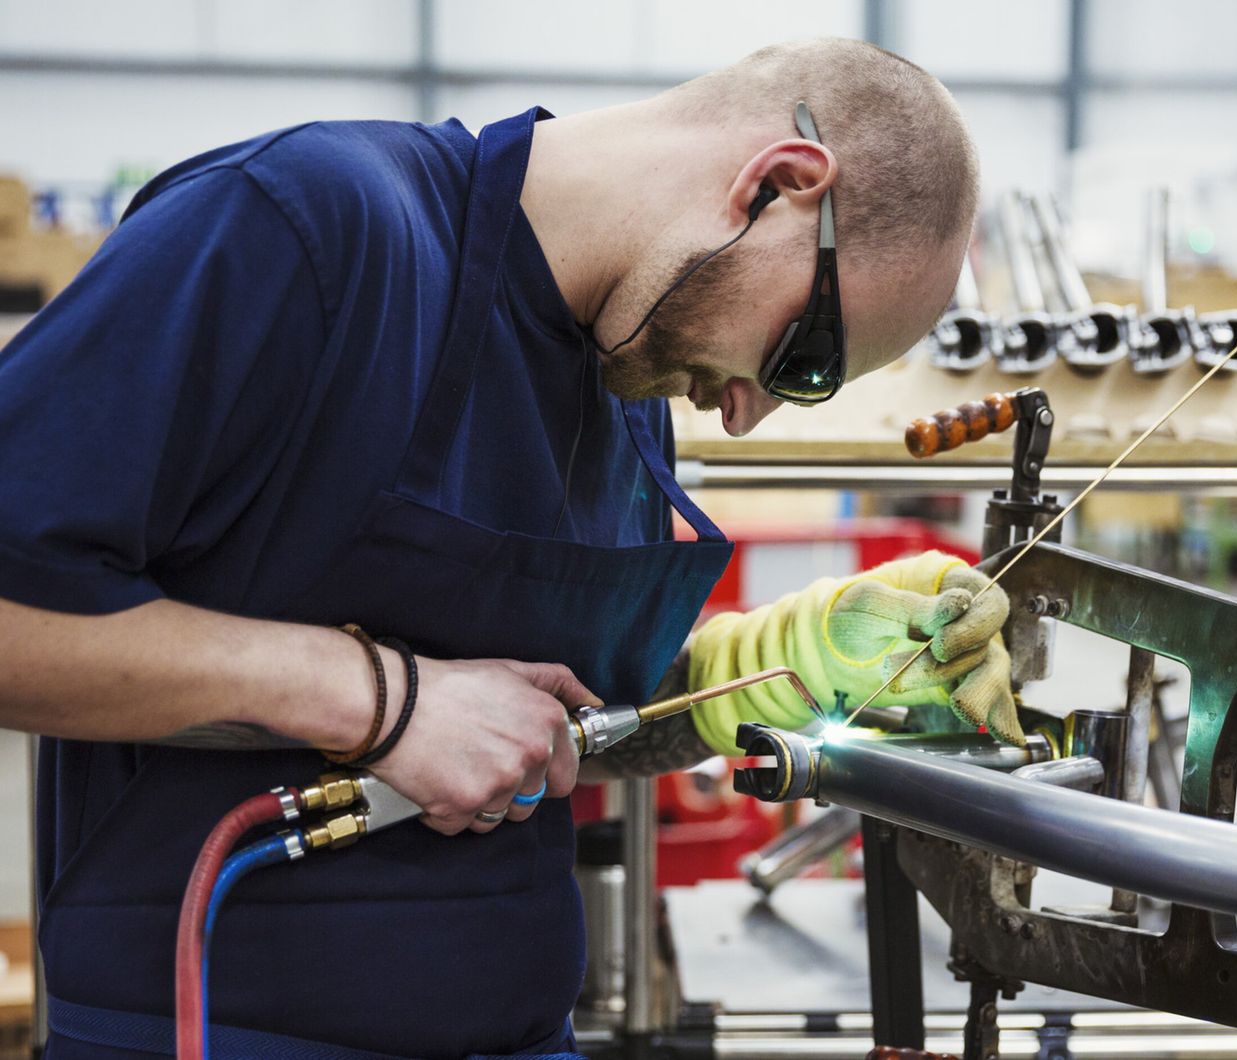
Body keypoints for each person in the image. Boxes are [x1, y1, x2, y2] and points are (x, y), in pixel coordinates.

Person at [0, 38, 1006, 1060]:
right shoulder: (307, 230)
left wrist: (764, 669)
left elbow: (561, 727)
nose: (745, 414)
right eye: (803, 357)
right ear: (778, 186)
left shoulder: (628, 372)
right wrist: (375, 699)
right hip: (210, 1027)